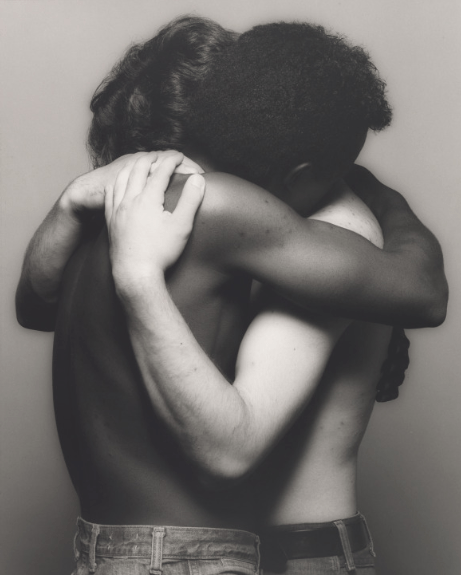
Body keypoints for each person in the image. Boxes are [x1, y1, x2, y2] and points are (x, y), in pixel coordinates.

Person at [15, 16, 447, 575]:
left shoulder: (112, 213)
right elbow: (423, 292)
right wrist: (377, 194)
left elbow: (34, 306)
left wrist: (72, 200)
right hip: (185, 557)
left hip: (102, 550)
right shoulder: (221, 206)